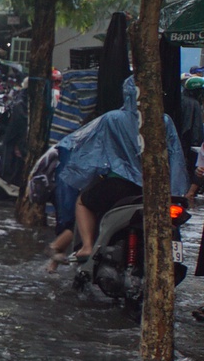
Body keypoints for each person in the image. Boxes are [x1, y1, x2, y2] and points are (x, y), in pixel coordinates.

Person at [48, 76, 185, 269]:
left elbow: (89, 149)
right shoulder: (164, 121)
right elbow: (176, 157)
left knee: (83, 201)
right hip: (155, 191)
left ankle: (87, 246)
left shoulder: (112, 119)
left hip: (118, 187)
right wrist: (177, 190)